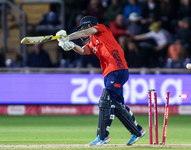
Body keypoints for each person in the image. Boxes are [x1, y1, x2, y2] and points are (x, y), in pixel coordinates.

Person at [56, 16, 146, 146]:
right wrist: (71, 45)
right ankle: (137, 131)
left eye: (84, 27)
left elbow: (86, 32)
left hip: (117, 69)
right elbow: (83, 50)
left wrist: (68, 37)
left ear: (90, 25)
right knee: (116, 104)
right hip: (110, 73)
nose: (83, 31)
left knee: (105, 101)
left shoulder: (102, 29)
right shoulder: (93, 42)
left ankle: (102, 136)